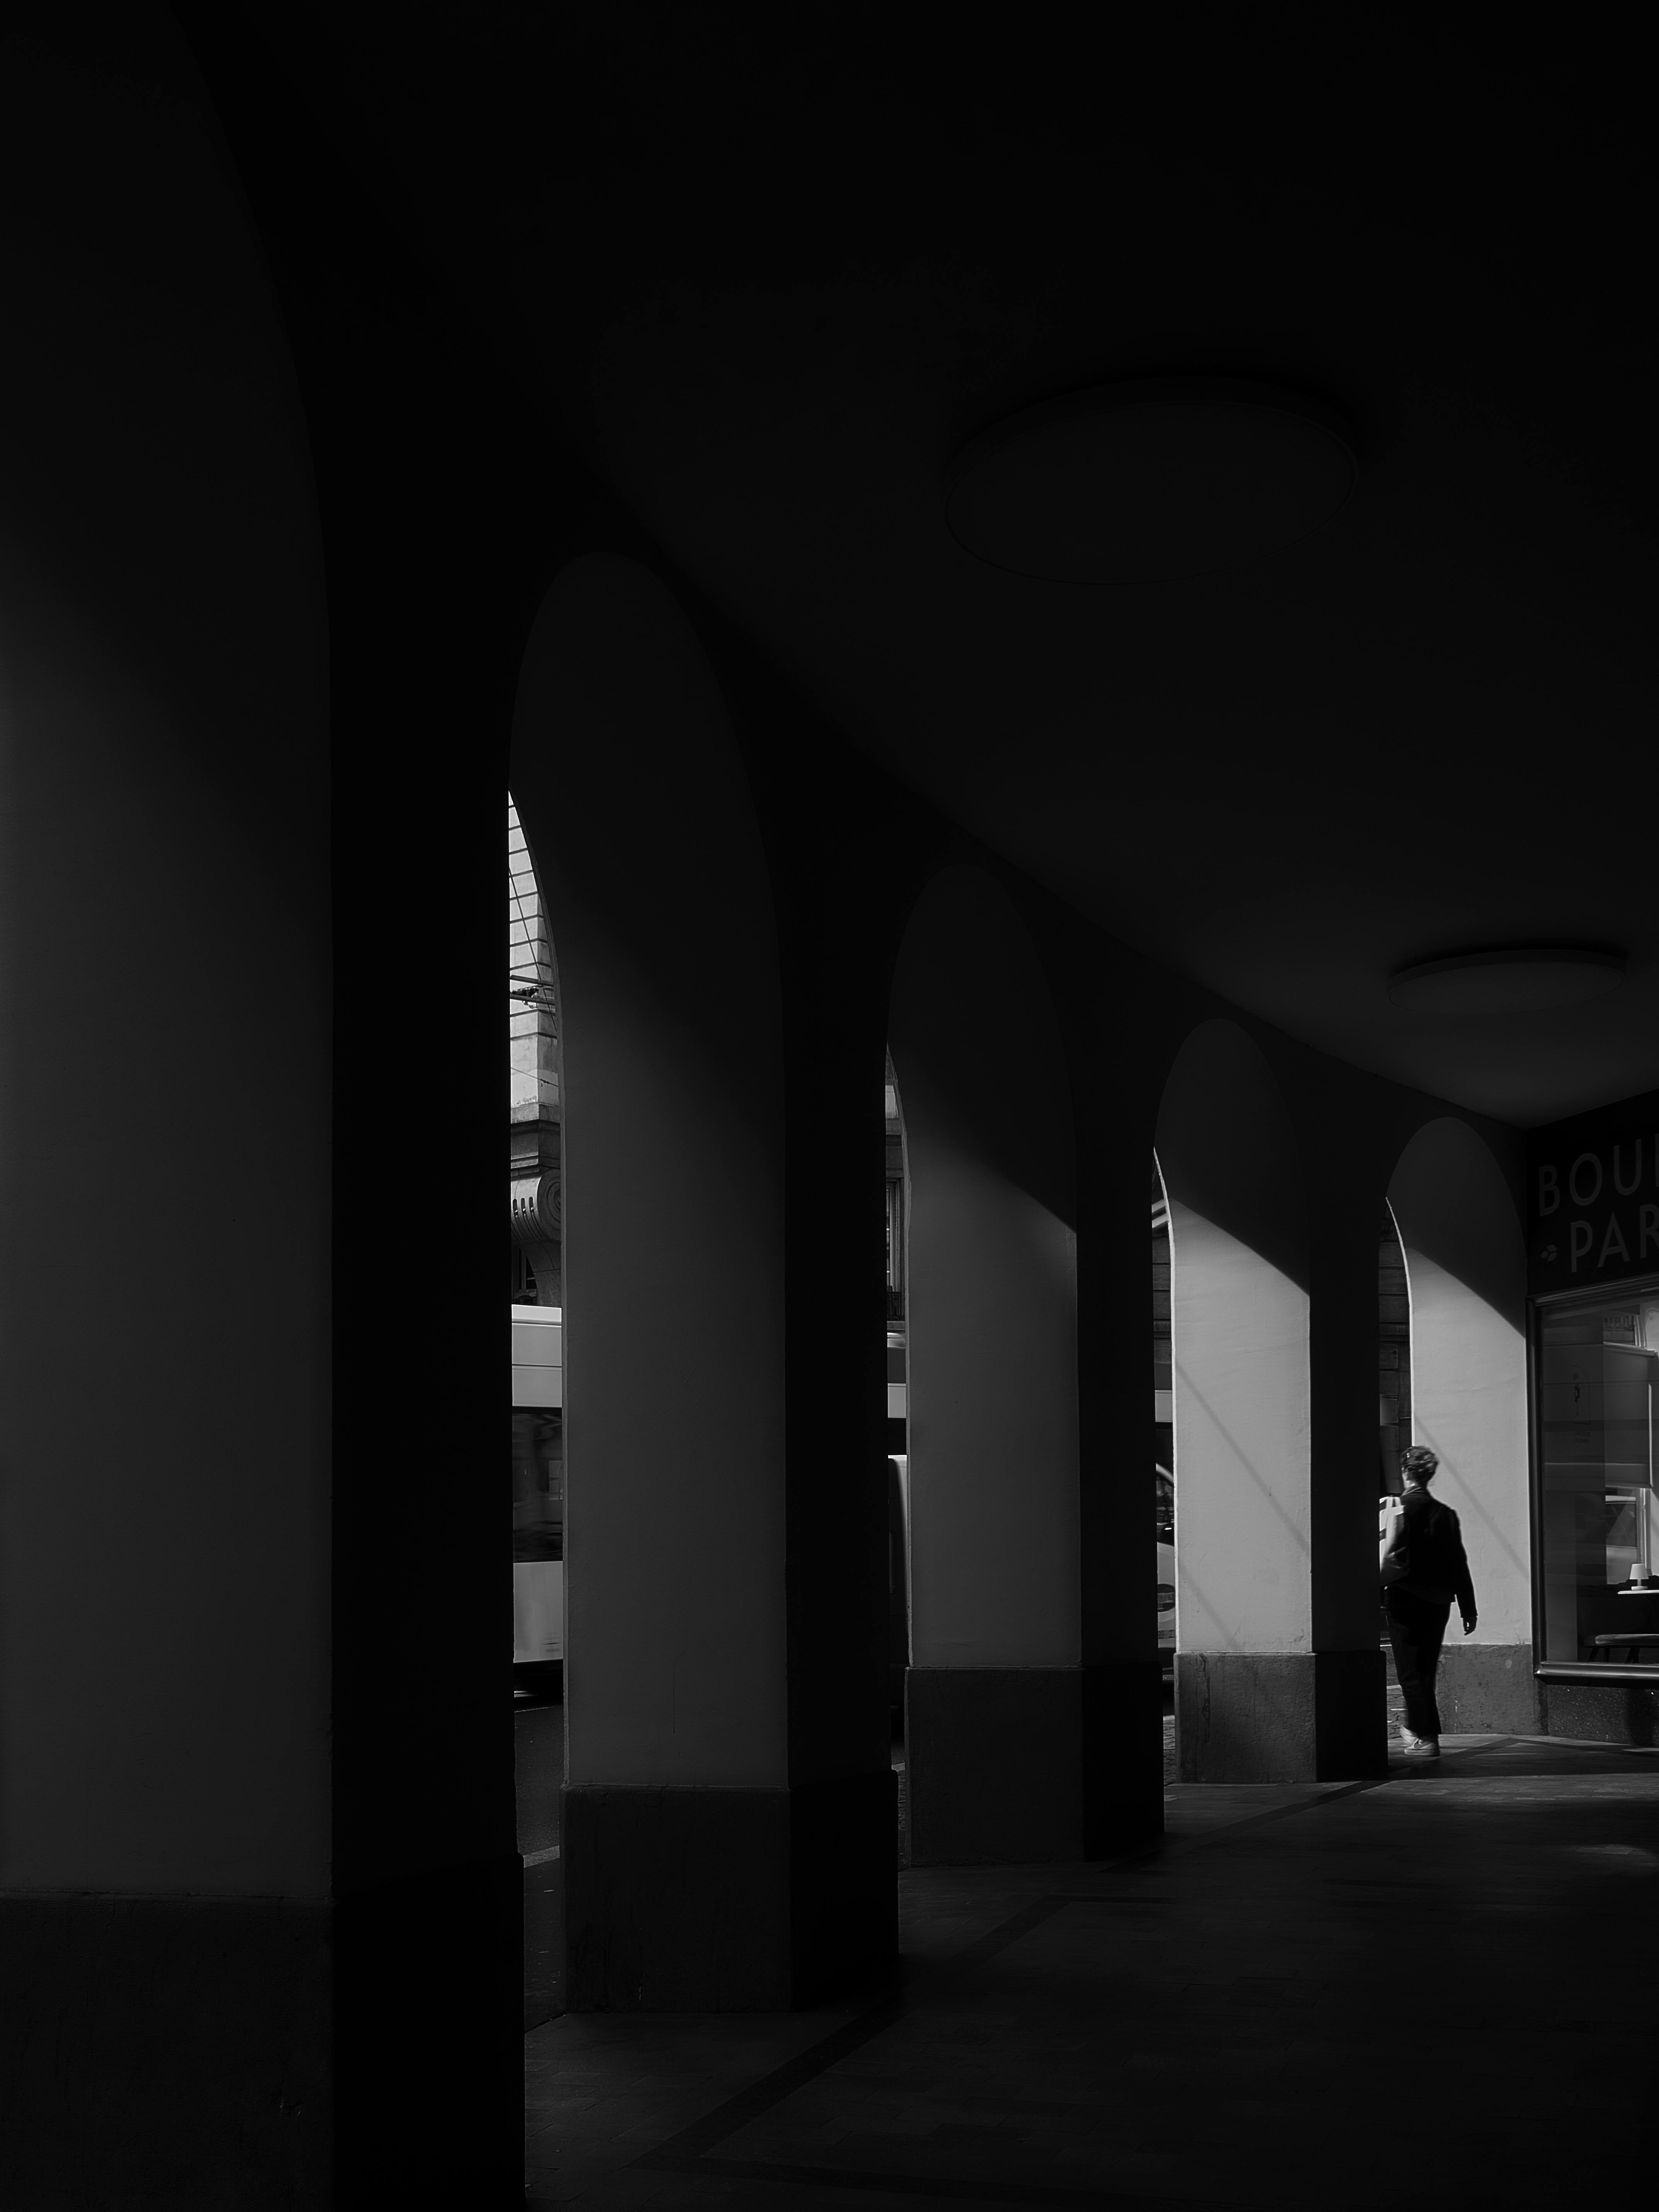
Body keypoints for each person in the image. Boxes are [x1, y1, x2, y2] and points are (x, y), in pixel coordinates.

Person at [1379, 1445, 1477, 1760]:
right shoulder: (1445, 1515)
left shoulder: (1394, 1509)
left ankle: (1427, 1737)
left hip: (1403, 1597)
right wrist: (1468, 1607)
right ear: (1430, 1475)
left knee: (1409, 1671)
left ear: (1406, 1472)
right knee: (1425, 1668)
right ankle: (1416, 1727)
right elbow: (1459, 1563)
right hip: (1438, 1602)